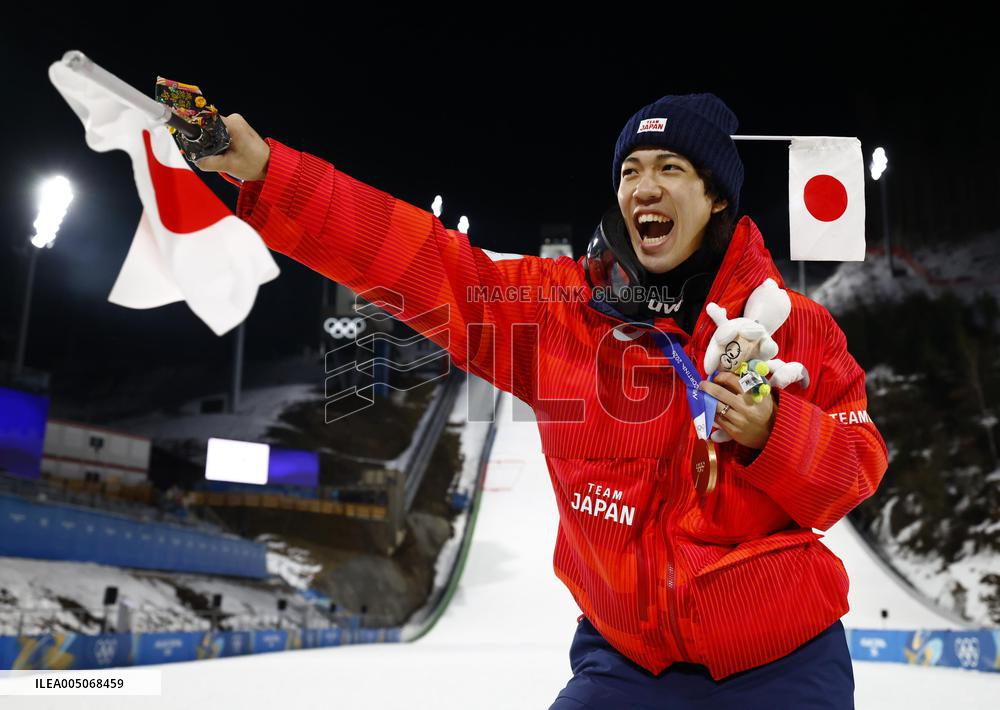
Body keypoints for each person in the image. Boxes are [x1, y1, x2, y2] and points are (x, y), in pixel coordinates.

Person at [196, 93, 888, 709]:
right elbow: (421, 259)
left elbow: (856, 470)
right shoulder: (557, 311)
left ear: (715, 197)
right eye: (630, 170)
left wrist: (777, 431)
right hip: (626, 664)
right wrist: (271, 175)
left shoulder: (792, 325)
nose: (644, 186)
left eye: (670, 168)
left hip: (780, 666)